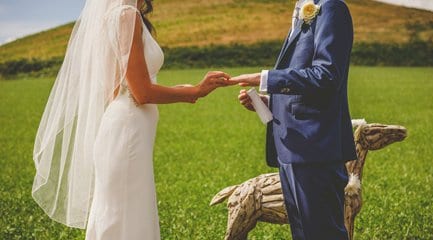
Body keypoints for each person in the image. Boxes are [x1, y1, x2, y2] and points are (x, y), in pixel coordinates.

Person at [31, 0, 233, 238]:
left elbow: (121, 88)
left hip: (125, 127)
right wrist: (196, 91)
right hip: (128, 132)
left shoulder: (117, 17)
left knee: (121, 213)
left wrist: (177, 90)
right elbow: (142, 93)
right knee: (127, 215)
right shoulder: (126, 16)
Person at [231, 0, 356, 239]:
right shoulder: (303, 8)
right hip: (293, 149)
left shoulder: (331, 7)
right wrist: (270, 104)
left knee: (322, 234)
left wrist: (265, 78)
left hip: (314, 149)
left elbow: (327, 76)